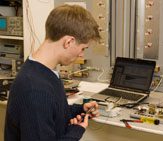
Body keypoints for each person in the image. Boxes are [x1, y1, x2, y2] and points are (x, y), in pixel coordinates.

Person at [5, 4, 101, 141]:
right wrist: (76, 131)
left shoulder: (43, 72)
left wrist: (80, 110)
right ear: (69, 42)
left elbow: (51, 111)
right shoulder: (35, 89)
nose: (81, 55)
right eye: (83, 48)